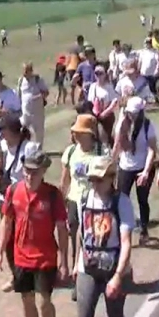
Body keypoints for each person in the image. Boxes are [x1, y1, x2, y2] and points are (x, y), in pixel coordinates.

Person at [0, 145, 68, 317]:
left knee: (44, 301)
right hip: (20, 257)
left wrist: (64, 261)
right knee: (27, 300)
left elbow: (62, 230)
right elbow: (6, 222)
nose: (29, 175)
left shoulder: (53, 195)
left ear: (43, 171)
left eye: (34, 171)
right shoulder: (13, 191)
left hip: (45, 258)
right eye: (26, 170)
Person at [73, 156, 134, 317]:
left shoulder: (121, 202)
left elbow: (126, 242)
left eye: (100, 179)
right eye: (93, 180)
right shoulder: (84, 200)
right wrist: (75, 263)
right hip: (88, 268)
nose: (96, 184)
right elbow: (82, 233)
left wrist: (118, 277)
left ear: (111, 178)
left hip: (114, 269)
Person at [60, 114, 104, 297]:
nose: (76, 135)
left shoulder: (100, 152)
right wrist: (61, 200)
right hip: (74, 200)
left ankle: (94, 277)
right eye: (75, 132)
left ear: (90, 134)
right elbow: (65, 180)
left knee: (92, 242)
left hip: (94, 203)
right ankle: (77, 281)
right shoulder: (70, 152)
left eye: (80, 132)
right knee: (75, 240)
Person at [111, 97, 157, 245]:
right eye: (129, 112)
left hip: (143, 167)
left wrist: (145, 172)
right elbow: (117, 147)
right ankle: (120, 231)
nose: (131, 115)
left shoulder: (148, 126)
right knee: (121, 200)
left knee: (142, 200)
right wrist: (111, 165)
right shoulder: (122, 125)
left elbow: (152, 150)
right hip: (126, 167)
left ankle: (144, 230)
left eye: (135, 113)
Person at [0, 115, 32, 291]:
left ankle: (32, 274)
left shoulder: (28, 148)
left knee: (25, 239)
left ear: (13, 130)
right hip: (6, 199)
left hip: (24, 201)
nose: (1, 134)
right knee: (8, 240)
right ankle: (15, 276)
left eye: (3, 130)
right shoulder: (2, 147)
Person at [17, 62, 49, 146]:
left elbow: (46, 92)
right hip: (25, 112)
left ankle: (38, 149)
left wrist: (38, 96)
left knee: (39, 132)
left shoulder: (38, 79)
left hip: (37, 112)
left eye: (26, 71)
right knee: (21, 130)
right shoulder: (21, 80)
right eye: (23, 71)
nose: (24, 73)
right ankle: (22, 147)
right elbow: (19, 94)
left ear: (31, 71)